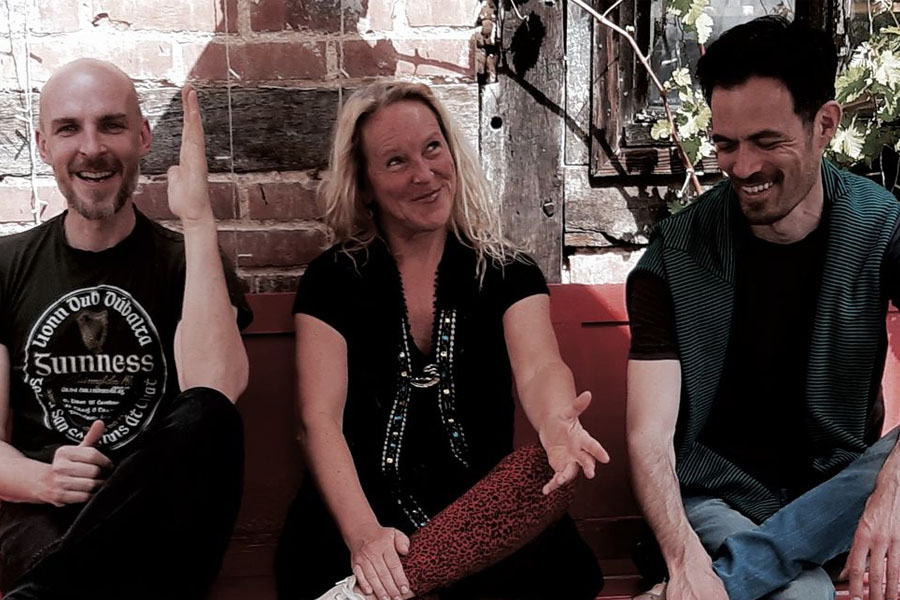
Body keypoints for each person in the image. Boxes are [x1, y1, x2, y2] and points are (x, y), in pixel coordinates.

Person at [274, 81, 607, 600]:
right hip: (360, 517)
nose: (424, 174)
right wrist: (364, 537)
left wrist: (556, 420)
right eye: (396, 161)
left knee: (542, 523)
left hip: (480, 522)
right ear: (364, 185)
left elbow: (540, 367)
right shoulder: (332, 280)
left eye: (433, 148)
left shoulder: (508, 273)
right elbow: (317, 420)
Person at [627, 15, 900, 600]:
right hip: (715, 499)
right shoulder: (675, 255)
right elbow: (649, 436)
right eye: (726, 144)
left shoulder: (881, 227)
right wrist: (682, 560)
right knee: (804, 595)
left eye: (767, 142)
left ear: (824, 125)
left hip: (838, 498)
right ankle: (744, 571)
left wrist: (895, 487)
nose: (744, 167)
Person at [0, 58, 252, 599]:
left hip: (159, 526)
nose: (91, 148)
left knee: (208, 413)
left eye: (111, 125)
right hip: (46, 521)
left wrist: (198, 221)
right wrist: (46, 480)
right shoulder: (7, 266)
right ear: (43, 145)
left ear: (142, 137)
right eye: (69, 129)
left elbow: (216, 394)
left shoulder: (188, 263)